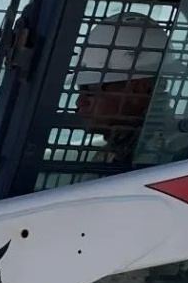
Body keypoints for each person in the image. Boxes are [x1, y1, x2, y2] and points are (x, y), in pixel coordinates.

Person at [68, 12, 171, 169]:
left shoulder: (175, 158)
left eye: (90, 90)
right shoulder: (115, 153)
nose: (79, 101)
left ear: (138, 89)